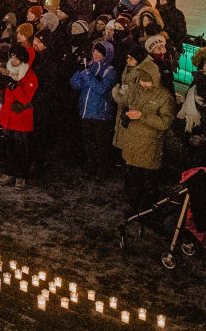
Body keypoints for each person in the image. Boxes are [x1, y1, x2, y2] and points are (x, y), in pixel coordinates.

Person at [112, 55, 174, 215]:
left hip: (149, 148)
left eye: (145, 80)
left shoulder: (164, 96)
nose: (142, 83)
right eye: (140, 80)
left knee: (148, 184)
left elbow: (165, 122)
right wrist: (124, 112)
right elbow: (125, 103)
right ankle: (133, 208)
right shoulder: (134, 89)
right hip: (132, 145)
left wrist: (142, 116)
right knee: (133, 180)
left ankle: (147, 212)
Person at [71, 40, 118, 176]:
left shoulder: (110, 71)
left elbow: (102, 89)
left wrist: (87, 76)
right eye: (95, 51)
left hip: (100, 113)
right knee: (89, 142)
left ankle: (101, 169)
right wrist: (79, 73)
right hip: (86, 111)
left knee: (101, 143)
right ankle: (91, 166)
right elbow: (75, 85)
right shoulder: (89, 67)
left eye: (99, 52)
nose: (95, 54)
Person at [0, 45, 37, 187]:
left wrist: (13, 84)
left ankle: (21, 175)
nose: (13, 60)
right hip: (8, 117)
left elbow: (25, 99)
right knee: (9, 147)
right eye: (12, 57)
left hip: (21, 119)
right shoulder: (7, 70)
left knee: (21, 149)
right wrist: (0, 81)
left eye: (17, 58)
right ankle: (9, 172)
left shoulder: (30, 76)